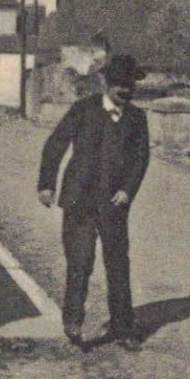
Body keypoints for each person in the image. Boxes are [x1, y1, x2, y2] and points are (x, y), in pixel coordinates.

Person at [36, 53, 151, 351]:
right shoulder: (83, 110)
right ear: (107, 84)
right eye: (119, 87)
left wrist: (128, 190)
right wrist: (47, 184)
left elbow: (141, 159)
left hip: (114, 203)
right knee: (80, 262)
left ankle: (123, 327)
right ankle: (73, 322)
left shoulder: (138, 119)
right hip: (79, 201)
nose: (125, 92)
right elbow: (56, 144)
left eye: (130, 87)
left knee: (117, 265)